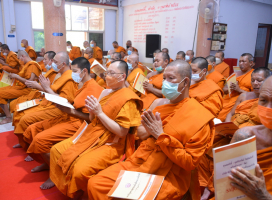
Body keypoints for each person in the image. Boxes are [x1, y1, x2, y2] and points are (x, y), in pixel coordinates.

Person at [87, 60, 215, 200]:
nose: (165, 83)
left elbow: (189, 162)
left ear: (185, 83)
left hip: (169, 174)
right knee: (95, 184)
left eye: (171, 78)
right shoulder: (159, 104)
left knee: (126, 196)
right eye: (164, 78)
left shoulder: (199, 116)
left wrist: (160, 135)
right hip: (141, 161)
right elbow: (140, 134)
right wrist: (151, 131)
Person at [50, 60, 143, 198]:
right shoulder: (105, 92)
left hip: (111, 143)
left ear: (122, 76)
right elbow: (93, 120)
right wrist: (93, 111)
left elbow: (122, 132)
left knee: (80, 168)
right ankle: (73, 191)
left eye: (111, 73)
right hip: (91, 134)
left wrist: (99, 112)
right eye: (106, 72)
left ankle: (83, 194)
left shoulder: (128, 99)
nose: (106, 76)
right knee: (56, 151)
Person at [21, 57, 104, 189]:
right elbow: (73, 102)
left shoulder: (94, 88)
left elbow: (91, 118)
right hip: (68, 116)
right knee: (34, 129)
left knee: (40, 140)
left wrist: (70, 111)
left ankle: (54, 175)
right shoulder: (82, 84)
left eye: (75, 71)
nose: (73, 74)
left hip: (79, 123)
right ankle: (47, 163)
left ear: (84, 71)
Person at [12, 52, 78, 147]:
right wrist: (45, 88)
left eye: (55, 61)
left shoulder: (69, 78)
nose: (52, 63)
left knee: (25, 118)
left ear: (63, 64)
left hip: (58, 108)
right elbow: (54, 90)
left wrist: (46, 88)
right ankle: (24, 142)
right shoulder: (61, 75)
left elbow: (64, 101)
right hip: (48, 101)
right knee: (19, 110)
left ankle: (30, 145)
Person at [228, 75, 272, 199]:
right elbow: (223, 182)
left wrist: (263, 196)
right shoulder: (245, 136)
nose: (268, 108)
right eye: (263, 100)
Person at [0, 50, 42, 125]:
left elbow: (29, 83)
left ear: (23, 57)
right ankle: (4, 112)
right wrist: (14, 76)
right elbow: (22, 77)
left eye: (19, 58)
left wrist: (17, 76)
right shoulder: (27, 64)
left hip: (28, 89)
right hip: (21, 86)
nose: (19, 61)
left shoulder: (33, 65)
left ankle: (8, 118)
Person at [218, 53, 255, 122]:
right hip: (229, 99)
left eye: (243, 61)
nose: (241, 63)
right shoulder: (235, 74)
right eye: (240, 61)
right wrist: (230, 88)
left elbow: (255, 95)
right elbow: (224, 89)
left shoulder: (254, 76)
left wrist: (239, 90)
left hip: (242, 102)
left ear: (251, 63)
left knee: (224, 115)